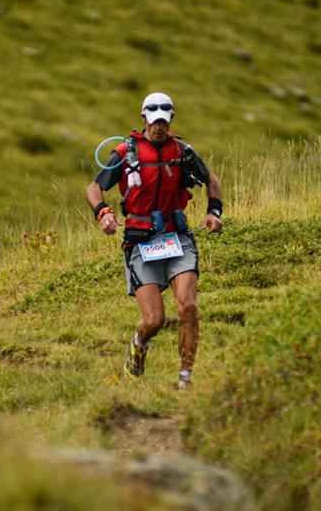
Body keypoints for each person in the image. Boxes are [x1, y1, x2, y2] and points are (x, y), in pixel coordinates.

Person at [86, 92, 223, 390]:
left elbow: (212, 180)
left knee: (188, 307)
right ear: (144, 118)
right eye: (154, 120)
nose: (159, 126)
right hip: (140, 241)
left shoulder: (183, 151)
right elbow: (94, 188)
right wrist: (103, 213)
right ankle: (139, 342)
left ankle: (185, 380)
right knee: (154, 321)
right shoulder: (126, 152)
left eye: (164, 120)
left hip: (178, 237)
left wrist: (214, 211)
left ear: (171, 119)